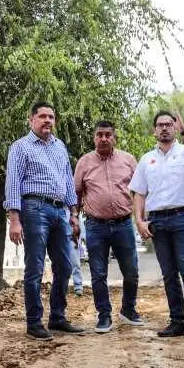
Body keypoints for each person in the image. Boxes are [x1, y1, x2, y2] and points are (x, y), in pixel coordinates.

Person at [4, 101, 85, 340]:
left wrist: (73, 214)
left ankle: (57, 317)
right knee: (35, 268)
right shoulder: (20, 147)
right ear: (31, 120)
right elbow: (13, 184)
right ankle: (34, 322)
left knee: (65, 265)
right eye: (42, 116)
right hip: (34, 208)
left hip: (60, 212)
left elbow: (69, 182)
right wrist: (14, 220)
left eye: (51, 117)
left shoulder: (60, 147)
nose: (47, 120)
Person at [130, 110, 184, 342]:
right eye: (160, 125)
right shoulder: (146, 159)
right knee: (169, 275)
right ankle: (177, 322)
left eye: (169, 124)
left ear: (175, 128)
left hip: (183, 219)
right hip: (158, 222)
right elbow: (139, 193)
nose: (164, 128)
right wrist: (140, 220)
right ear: (154, 130)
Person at [74, 120, 144, 333]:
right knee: (98, 274)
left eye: (107, 135)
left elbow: (140, 191)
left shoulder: (129, 160)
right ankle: (104, 315)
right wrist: (74, 219)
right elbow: (76, 194)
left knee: (131, 271)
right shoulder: (84, 162)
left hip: (124, 225)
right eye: (99, 135)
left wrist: (142, 218)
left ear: (114, 137)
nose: (103, 138)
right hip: (96, 226)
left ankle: (128, 309)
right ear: (94, 138)